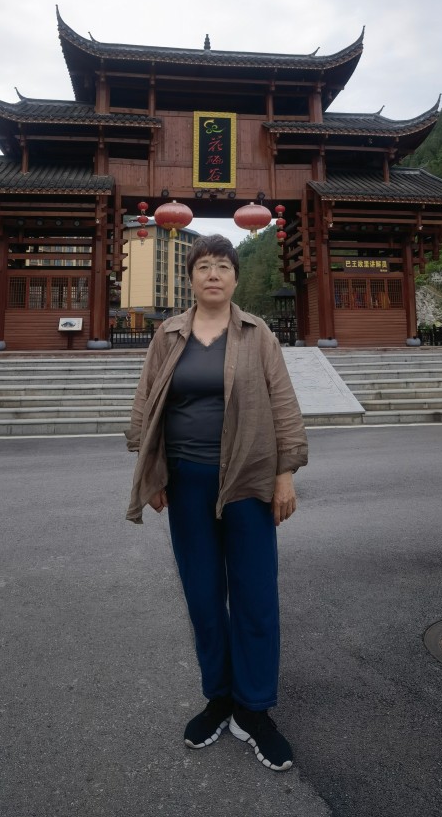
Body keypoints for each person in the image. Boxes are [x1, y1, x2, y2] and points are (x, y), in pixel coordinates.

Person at [126, 234, 308, 772]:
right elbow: (146, 402)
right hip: (187, 482)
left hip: (249, 480)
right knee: (204, 596)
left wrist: (285, 474)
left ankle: (254, 708)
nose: (213, 274)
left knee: (255, 595)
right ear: (191, 278)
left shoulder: (257, 333)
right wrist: (152, 473)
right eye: (203, 266)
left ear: (235, 277)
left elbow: (283, 403)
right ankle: (220, 697)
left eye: (222, 266)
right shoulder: (168, 334)